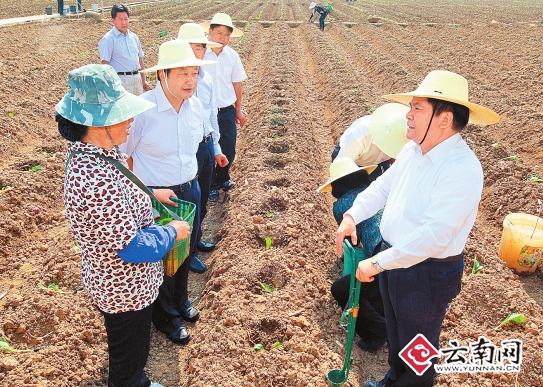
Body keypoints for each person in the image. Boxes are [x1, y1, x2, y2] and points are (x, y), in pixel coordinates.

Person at [335, 70, 500, 387]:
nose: (407, 115)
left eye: (418, 108)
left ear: (444, 118)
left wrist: (378, 262)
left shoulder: (461, 169)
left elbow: (434, 237)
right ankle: (392, 379)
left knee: (418, 351)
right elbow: (382, 188)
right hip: (396, 258)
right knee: (397, 334)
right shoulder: (413, 150)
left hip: (426, 273)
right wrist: (353, 215)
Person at [57, 64, 190, 387]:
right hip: (123, 289)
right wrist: (173, 231)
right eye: (122, 115)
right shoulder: (93, 180)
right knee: (128, 356)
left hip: (123, 283)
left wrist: (150, 192)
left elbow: (122, 188)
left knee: (132, 347)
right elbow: (132, 247)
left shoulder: (99, 154)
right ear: (97, 123)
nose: (131, 121)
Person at [122, 40, 214, 345]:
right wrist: (144, 192)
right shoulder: (143, 112)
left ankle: (181, 300)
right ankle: (166, 318)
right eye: (182, 74)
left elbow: (197, 150)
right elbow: (125, 159)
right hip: (155, 197)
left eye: (194, 73)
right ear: (163, 75)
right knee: (161, 257)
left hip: (190, 189)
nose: (190, 80)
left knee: (184, 250)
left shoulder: (196, 106)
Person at [319, 158, 387, 352]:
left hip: (384, 256)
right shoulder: (377, 193)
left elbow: (352, 244)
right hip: (404, 251)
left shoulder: (341, 206)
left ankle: (376, 332)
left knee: (341, 289)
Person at [177, 23, 230, 272]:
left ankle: (196, 242)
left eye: (201, 47)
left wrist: (216, 147)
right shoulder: (174, 81)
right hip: (186, 147)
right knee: (186, 201)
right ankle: (185, 254)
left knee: (201, 198)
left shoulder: (205, 78)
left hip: (205, 144)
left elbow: (211, 116)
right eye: (196, 46)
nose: (200, 51)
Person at [203, 13, 247, 201]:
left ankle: (223, 178)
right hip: (205, 111)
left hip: (226, 109)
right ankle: (210, 183)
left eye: (226, 34)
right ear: (210, 32)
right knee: (209, 148)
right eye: (219, 33)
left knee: (228, 147)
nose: (222, 38)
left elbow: (237, 83)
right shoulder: (201, 53)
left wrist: (238, 109)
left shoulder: (232, 55)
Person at [332, 103, 410, 180]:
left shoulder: (405, 135)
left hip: (378, 163)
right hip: (352, 162)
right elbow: (340, 171)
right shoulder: (360, 135)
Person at [99, 4, 150, 95]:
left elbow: (140, 59)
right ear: (113, 21)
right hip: (121, 81)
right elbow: (105, 65)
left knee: (139, 108)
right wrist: (109, 86)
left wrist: (143, 80)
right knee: (125, 109)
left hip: (137, 78)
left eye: (126, 19)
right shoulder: (108, 39)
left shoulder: (134, 37)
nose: (124, 22)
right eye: (120, 19)